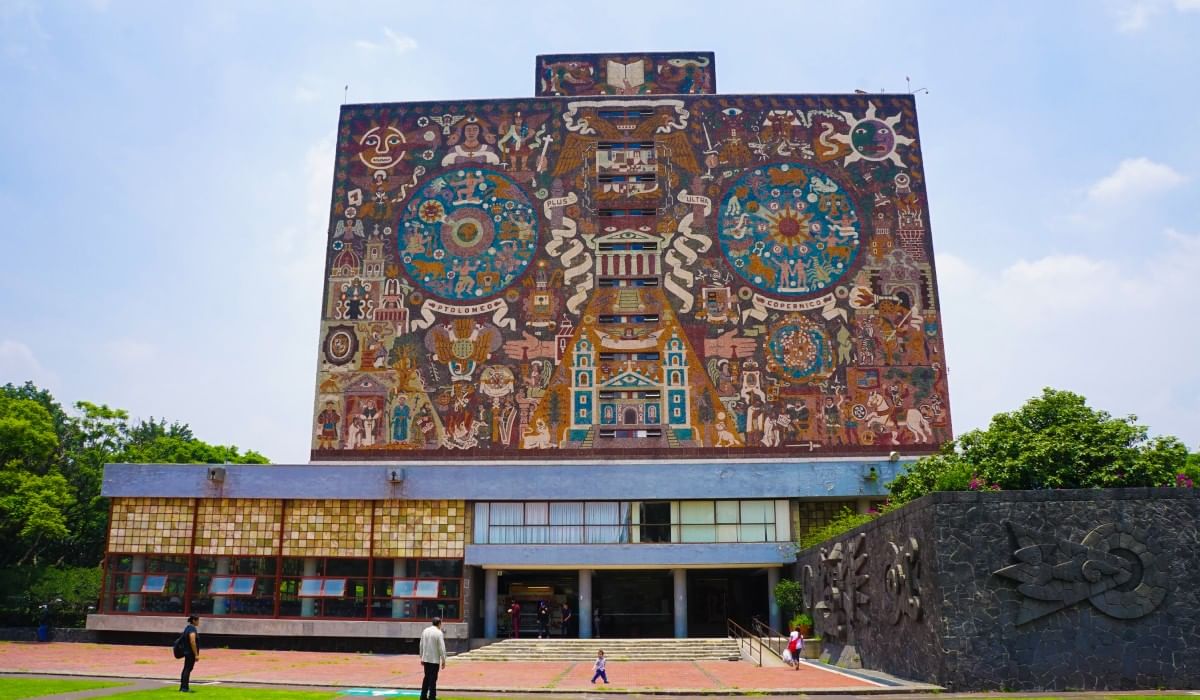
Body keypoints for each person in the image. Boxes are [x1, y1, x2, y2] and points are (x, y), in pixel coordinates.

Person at [419, 616, 448, 700]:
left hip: (426, 659)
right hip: (434, 660)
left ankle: (423, 696)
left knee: (426, 677)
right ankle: (432, 696)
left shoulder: (425, 631)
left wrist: (421, 656)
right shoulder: (438, 633)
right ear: (439, 623)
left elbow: (421, 644)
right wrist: (443, 659)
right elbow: (441, 647)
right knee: (433, 679)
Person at [179, 615, 200, 692]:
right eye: (197, 620)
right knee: (187, 669)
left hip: (187, 652)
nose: (198, 622)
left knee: (186, 669)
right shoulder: (192, 629)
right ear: (194, 620)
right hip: (190, 653)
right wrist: (196, 654)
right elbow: (192, 641)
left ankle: (183, 687)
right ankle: (184, 688)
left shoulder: (187, 628)